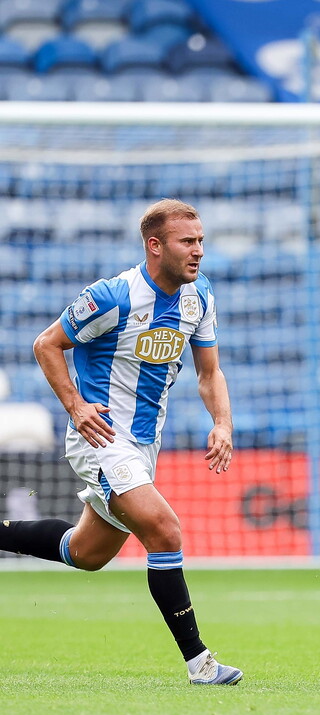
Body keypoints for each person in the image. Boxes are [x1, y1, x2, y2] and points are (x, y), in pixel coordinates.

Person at [0, 199, 243, 685]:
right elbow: (46, 344)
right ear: (155, 246)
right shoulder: (113, 296)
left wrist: (222, 423)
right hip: (101, 437)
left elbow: (209, 372)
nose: (198, 252)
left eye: (200, 242)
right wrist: (76, 406)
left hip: (143, 446)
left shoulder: (200, 297)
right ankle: (201, 663)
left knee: (86, 552)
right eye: (187, 242)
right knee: (166, 531)